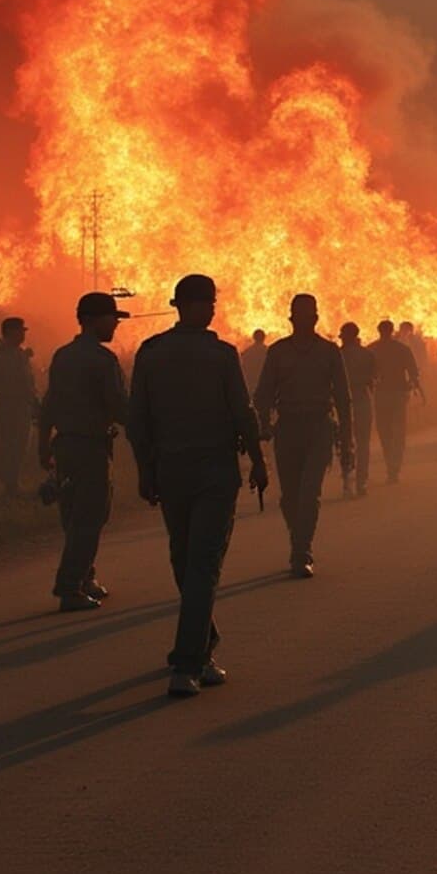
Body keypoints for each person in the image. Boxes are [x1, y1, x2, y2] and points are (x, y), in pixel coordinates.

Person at [128, 275, 269, 697]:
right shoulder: (221, 355)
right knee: (199, 566)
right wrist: (259, 464)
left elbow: (138, 423)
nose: (212, 309)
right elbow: (244, 414)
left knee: (187, 561)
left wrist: (144, 472)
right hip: (210, 471)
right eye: (206, 303)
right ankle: (188, 663)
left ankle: (199, 650)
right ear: (187, 306)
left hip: (173, 471)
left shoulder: (150, 353)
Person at [39, 292, 129, 611]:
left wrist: (41, 445)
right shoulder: (103, 361)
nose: (116, 323)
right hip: (91, 447)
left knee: (74, 514)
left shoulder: (62, 356)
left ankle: (85, 576)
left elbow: (49, 404)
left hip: (64, 445)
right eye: (112, 317)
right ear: (91, 320)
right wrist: (147, 425)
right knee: (90, 517)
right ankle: (69, 587)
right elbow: (119, 406)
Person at [253, 293, 352, 578]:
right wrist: (263, 423)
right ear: (292, 318)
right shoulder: (278, 352)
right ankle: (299, 539)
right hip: (288, 429)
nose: (307, 320)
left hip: (319, 427)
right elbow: (263, 394)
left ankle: (301, 551)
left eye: (311, 315)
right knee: (290, 497)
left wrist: (347, 440)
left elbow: (344, 399)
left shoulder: (330, 351)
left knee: (310, 493)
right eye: (301, 315)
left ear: (317, 318)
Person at [0, 316, 38, 496]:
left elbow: (29, 385)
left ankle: (12, 482)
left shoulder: (21, 356)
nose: (23, 334)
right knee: (11, 446)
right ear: (10, 332)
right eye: (20, 330)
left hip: (23, 407)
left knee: (20, 446)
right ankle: (10, 485)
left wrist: (36, 403)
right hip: (8, 408)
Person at [369, 319, 420, 482]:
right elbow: (413, 372)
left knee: (385, 431)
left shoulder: (371, 349)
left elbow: (366, 374)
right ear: (392, 331)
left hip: (382, 395)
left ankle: (391, 466)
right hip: (397, 394)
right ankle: (394, 468)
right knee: (397, 431)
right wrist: (413, 387)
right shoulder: (402, 349)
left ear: (379, 330)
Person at [338, 321, 379, 498]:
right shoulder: (368, 354)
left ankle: (348, 481)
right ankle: (361, 481)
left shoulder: (338, 355)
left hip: (342, 402)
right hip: (362, 398)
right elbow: (375, 378)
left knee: (345, 442)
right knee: (363, 443)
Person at [241, 328, 269, 396]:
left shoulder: (247, 352)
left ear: (254, 337)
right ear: (264, 337)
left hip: (250, 383)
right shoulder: (269, 352)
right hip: (264, 383)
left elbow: (243, 368)